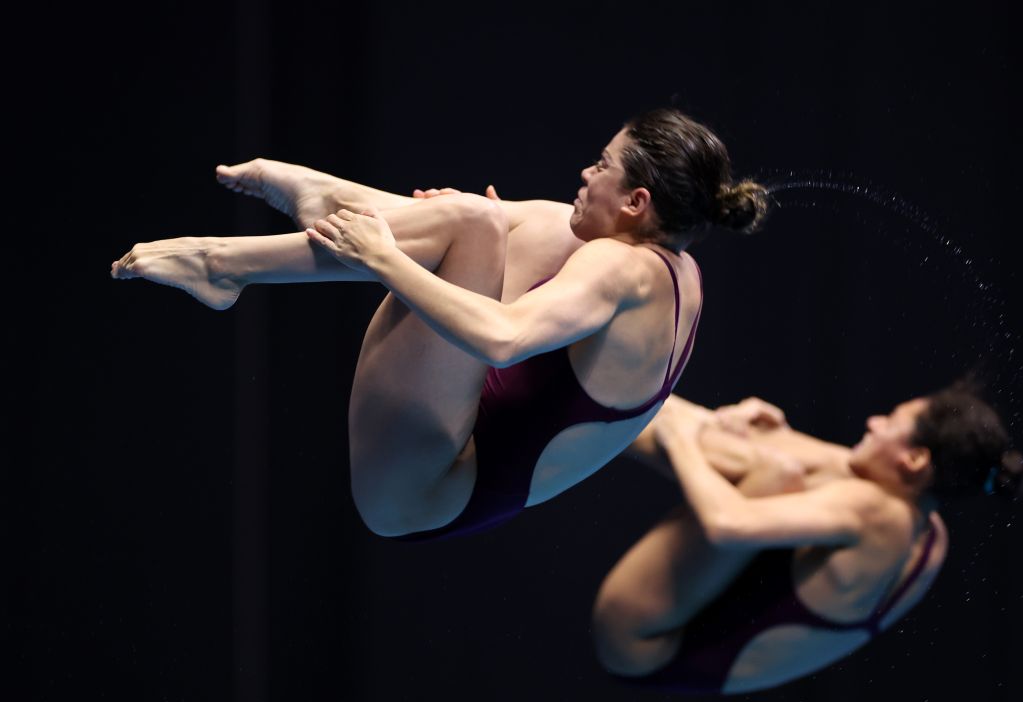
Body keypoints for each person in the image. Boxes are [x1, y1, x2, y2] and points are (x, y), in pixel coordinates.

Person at [111, 110, 769, 539]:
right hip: (452, 440)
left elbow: (503, 338)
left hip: (421, 486)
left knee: (472, 225)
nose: (585, 173)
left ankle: (225, 265)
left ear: (636, 201)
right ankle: (337, 204)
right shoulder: (677, 270)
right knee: (491, 222)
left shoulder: (620, 271)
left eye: (601, 164)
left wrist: (387, 261)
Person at [592, 384, 1023, 694]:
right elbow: (811, 457)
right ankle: (612, 397)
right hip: (671, 645)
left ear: (914, 459)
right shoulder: (929, 531)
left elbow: (728, 524)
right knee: (767, 454)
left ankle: (596, 397)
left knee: (770, 470)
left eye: (890, 421)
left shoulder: (879, 514)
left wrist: (679, 438)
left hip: (642, 639)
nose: (873, 422)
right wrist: (762, 428)